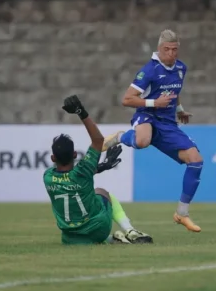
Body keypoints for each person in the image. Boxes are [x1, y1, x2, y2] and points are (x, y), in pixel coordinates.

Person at [102, 29, 203, 233]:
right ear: (159, 49)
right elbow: (127, 99)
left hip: (167, 123)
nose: (172, 53)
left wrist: (180, 110)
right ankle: (121, 137)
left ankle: (182, 213)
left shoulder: (181, 68)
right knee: (142, 141)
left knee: (196, 160)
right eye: (168, 49)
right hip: (147, 116)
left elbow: (175, 92)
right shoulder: (149, 70)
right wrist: (154, 102)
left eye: (175, 49)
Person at [43, 95, 153, 245]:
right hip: (98, 229)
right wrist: (81, 112)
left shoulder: (47, 176)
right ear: (75, 155)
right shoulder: (82, 170)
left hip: (70, 238)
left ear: (52, 158)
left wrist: (101, 167)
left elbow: (74, 176)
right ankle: (129, 230)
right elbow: (98, 140)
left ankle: (112, 240)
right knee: (101, 191)